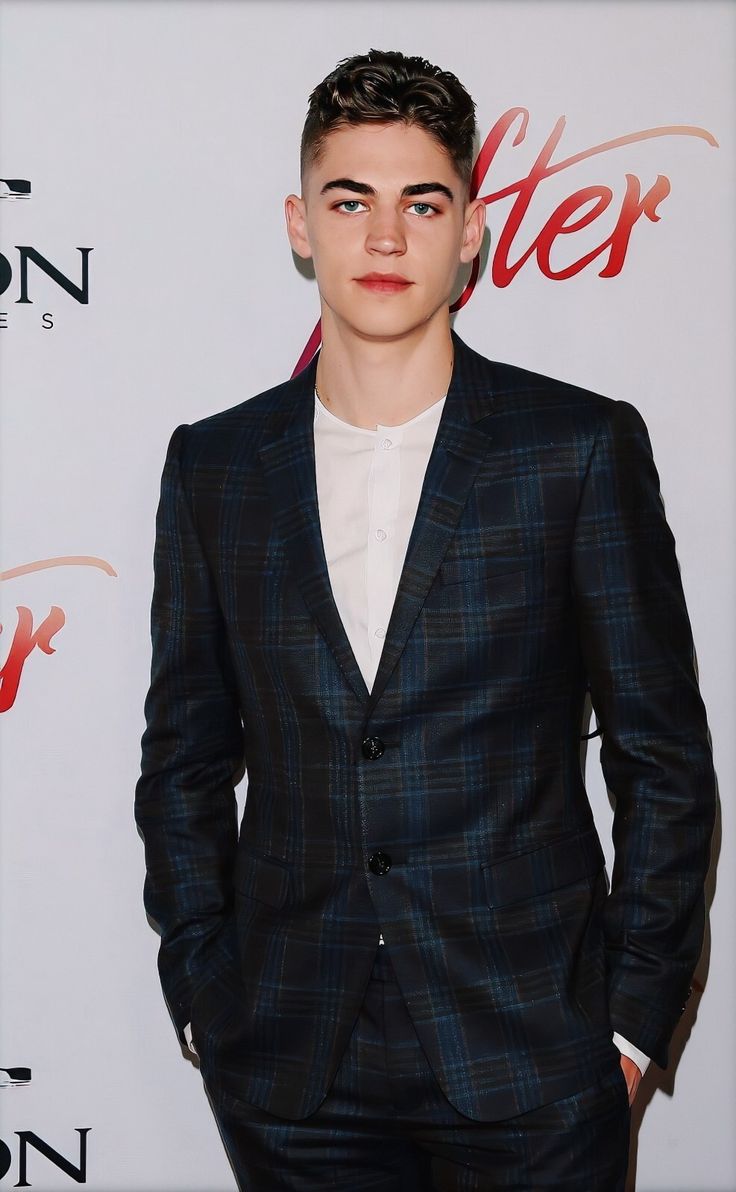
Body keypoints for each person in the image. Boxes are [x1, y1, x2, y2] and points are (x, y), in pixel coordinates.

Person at [134, 48, 716, 1191]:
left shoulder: (577, 451)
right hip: (291, 1067)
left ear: (473, 232)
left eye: (422, 202)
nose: (385, 237)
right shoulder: (215, 467)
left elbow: (662, 758)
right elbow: (184, 760)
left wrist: (631, 1023)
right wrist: (207, 995)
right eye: (351, 201)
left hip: (537, 1062)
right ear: (300, 224)